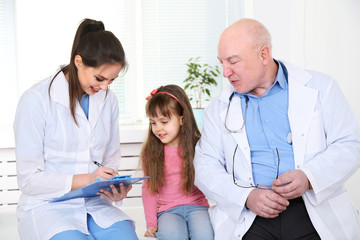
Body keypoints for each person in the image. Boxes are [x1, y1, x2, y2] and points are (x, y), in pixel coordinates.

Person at [194, 18, 360, 240]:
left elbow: (350, 143)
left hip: (312, 207)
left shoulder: (321, 87)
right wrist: (246, 197)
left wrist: (309, 177)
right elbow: (205, 166)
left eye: (233, 61)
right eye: (221, 62)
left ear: (263, 55)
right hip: (252, 214)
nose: (225, 72)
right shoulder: (219, 108)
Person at [13, 18, 139, 240]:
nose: (104, 87)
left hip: (94, 203)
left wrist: (114, 188)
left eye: (112, 80)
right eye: (100, 78)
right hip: (47, 205)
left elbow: (109, 161)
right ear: (78, 61)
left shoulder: (108, 100)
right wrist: (89, 179)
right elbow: (29, 180)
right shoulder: (36, 100)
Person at [140, 85, 214, 240]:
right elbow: (149, 189)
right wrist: (151, 223)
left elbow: (212, 177)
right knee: (172, 235)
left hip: (198, 207)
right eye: (153, 122)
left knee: (205, 235)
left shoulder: (198, 147)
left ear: (182, 119)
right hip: (168, 211)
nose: (158, 128)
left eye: (164, 121)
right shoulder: (151, 152)